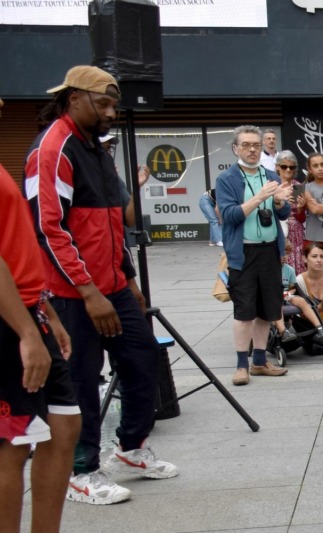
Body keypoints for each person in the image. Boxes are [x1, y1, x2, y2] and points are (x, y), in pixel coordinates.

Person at [30, 66, 179, 504]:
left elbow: (112, 225)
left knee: (143, 359)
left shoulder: (95, 147)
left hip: (111, 284)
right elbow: (48, 228)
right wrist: (89, 292)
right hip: (71, 294)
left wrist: (127, 279)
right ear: (74, 98)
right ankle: (81, 470)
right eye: (104, 103)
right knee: (80, 380)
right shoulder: (52, 149)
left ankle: (131, 448)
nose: (113, 111)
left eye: (115, 103)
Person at [0, 93, 79, 524]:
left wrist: (43, 312)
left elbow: (15, 247)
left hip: (30, 310)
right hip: (11, 323)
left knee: (64, 427)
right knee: (12, 446)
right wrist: (27, 333)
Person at [217, 125, 297, 387]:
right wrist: (260, 196)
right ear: (235, 148)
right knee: (244, 312)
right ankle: (242, 365)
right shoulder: (227, 179)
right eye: (246, 145)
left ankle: (260, 362)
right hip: (244, 252)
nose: (252, 149)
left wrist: (277, 202)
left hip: (270, 250)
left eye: (256, 145)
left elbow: (282, 215)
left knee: (267, 310)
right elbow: (229, 216)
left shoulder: (271, 174)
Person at [276, 151, 309, 274]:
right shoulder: (273, 185)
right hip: (278, 228)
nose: (288, 170)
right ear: (277, 167)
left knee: (298, 265)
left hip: (296, 232)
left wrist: (301, 207)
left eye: (292, 167)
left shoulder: (298, 186)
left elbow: (302, 219)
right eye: (284, 166)